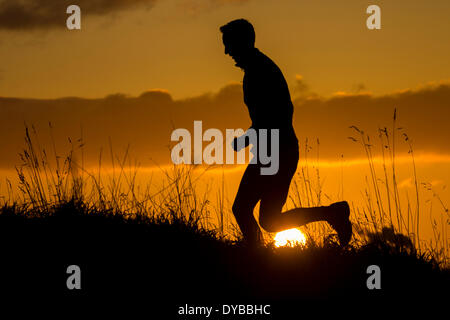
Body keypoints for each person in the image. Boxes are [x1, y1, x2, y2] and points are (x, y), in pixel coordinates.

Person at [220, 19, 352, 246]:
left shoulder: (260, 71)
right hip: (278, 150)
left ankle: (255, 255)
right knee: (270, 221)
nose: (226, 51)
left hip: (275, 152)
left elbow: (274, 116)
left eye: (228, 44)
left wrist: (245, 140)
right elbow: (270, 117)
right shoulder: (257, 69)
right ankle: (331, 213)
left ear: (242, 42)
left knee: (242, 209)